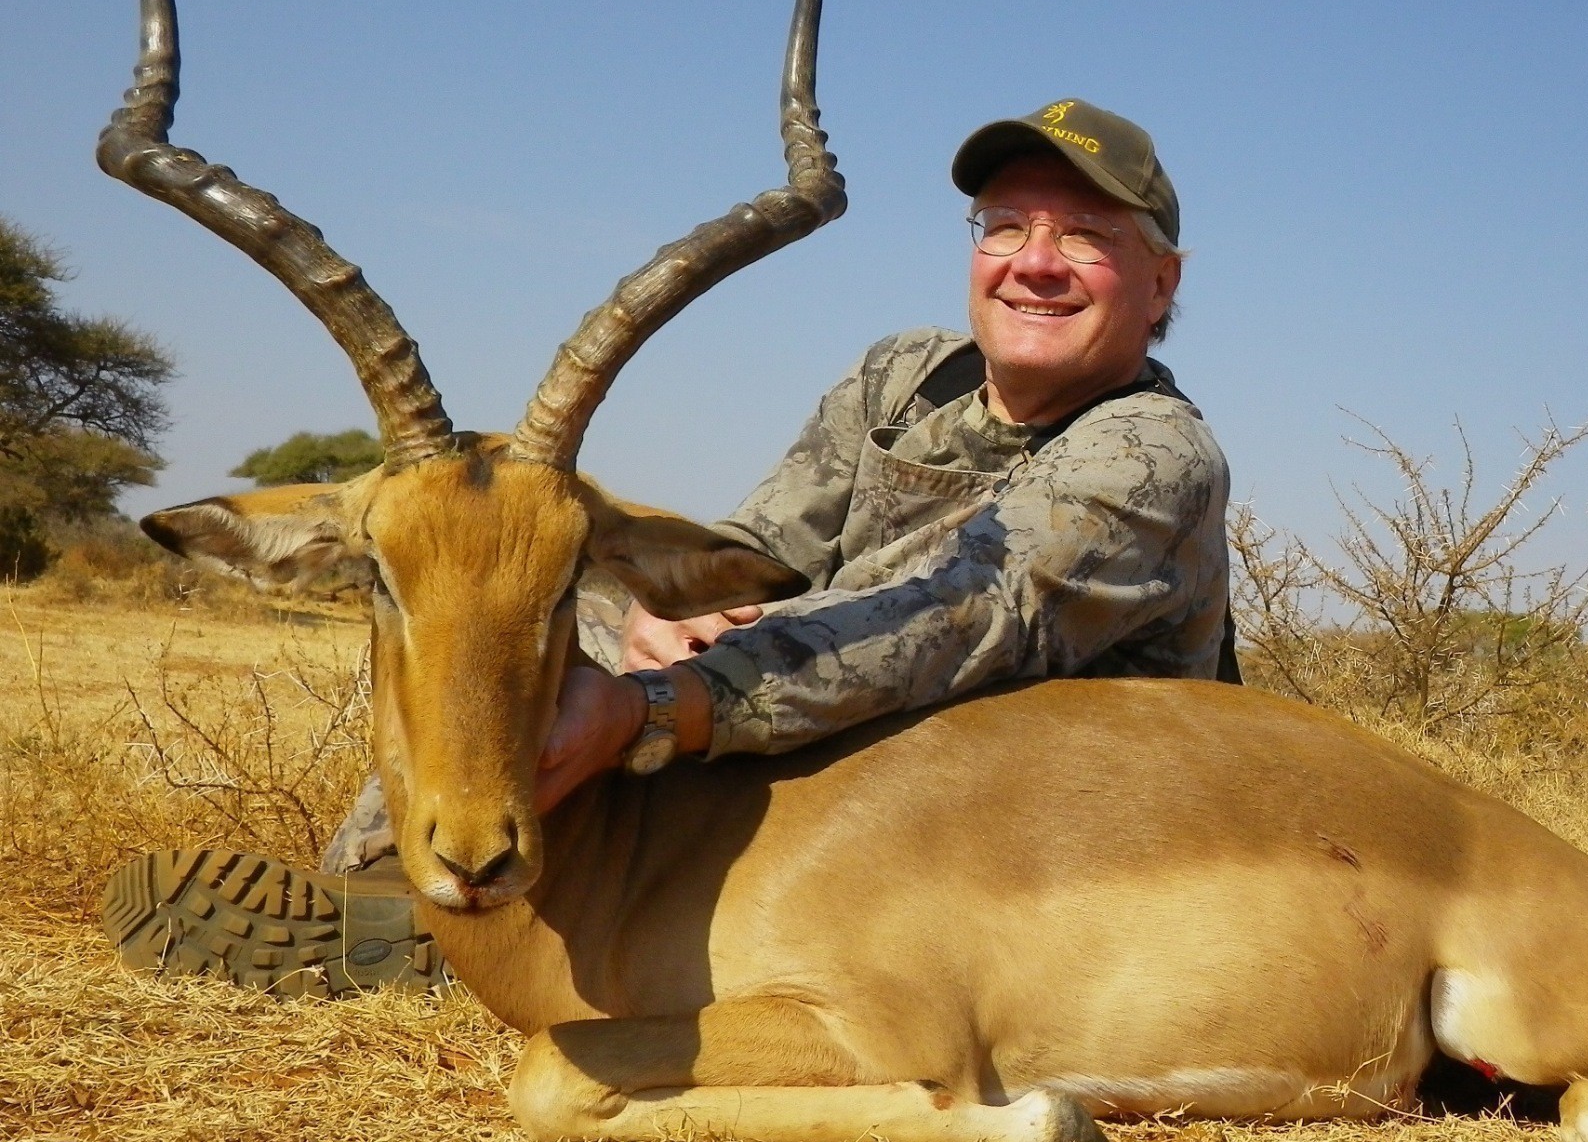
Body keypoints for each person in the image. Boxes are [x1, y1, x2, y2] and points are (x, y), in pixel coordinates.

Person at [102, 98, 1234, 995]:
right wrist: (635, 614)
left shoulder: (1153, 451)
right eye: (1008, 226)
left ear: (1162, 281)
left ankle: (430, 942)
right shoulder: (903, 374)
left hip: (1038, 818)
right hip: (846, 748)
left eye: (1086, 235)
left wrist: (658, 704)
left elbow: (955, 621)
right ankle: (392, 872)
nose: (1035, 260)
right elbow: (753, 554)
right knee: (525, 601)